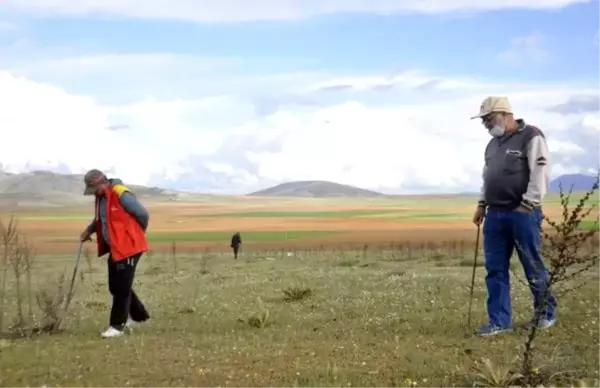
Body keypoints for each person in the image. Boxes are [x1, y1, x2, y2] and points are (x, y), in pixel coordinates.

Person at [471, 96, 557, 337]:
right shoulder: (492, 145)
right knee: (495, 269)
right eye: (484, 121)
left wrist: (528, 204)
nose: (486, 124)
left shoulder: (531, 135)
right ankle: (499, 321)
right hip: (495, 215)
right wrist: (481, 204)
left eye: (489, 119)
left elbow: (540, 172)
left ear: (505, 114)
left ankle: (545, 314)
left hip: (522, 212)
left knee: (532, 263)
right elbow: (487, 177)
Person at [79, 169, 151, 338]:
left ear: (101, 183)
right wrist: (89, 231)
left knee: (121, 287)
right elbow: (102, 219)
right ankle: (139, 316)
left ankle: (117, 326)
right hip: (117, 247)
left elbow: (142, 214)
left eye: (94, 190)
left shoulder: (121, 194)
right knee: (116, 285)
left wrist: (134, 234)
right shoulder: (101, 197)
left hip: (129, 246)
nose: (93, 194)